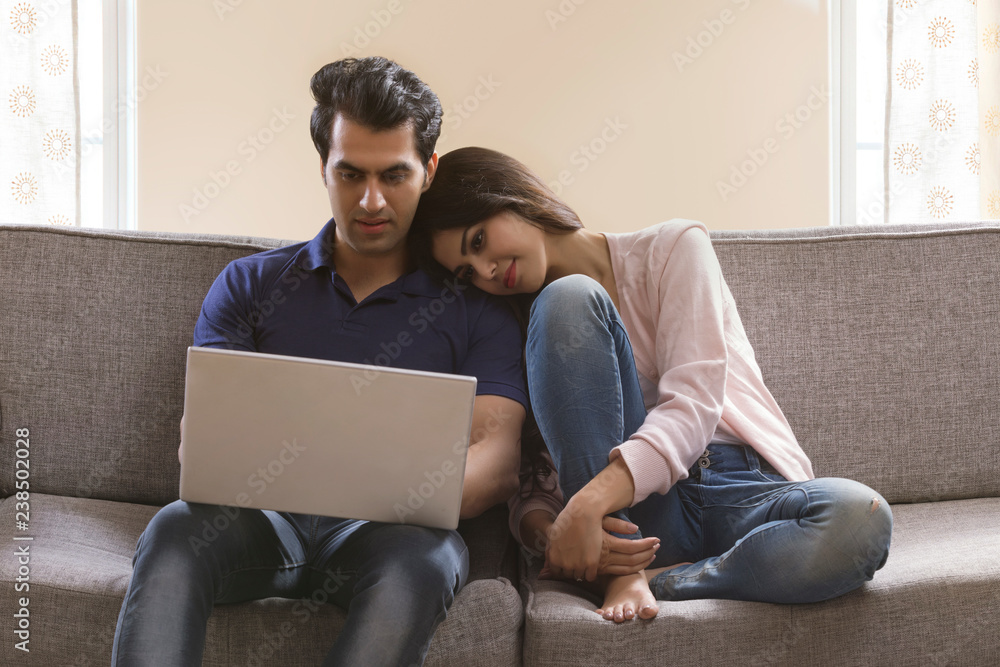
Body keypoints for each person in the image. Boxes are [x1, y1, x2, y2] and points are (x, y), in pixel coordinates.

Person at [111, 60, 529, 666]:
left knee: (426, 559)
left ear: (429, 171)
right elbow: (203, 443)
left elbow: (496, 460)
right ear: (324, 168)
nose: (371, 200)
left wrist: (388, 490)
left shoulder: (477, 310)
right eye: (350, 173)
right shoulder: (249, 284)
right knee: (176, 529)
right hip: (257, 523)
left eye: (395, 175)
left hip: (394, 536)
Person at [409, 146, 894, 624]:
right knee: (566, 300)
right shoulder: (524, 328)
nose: (487, 272)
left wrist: (590, 503)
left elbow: (694, 405)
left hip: (746, 488)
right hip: (641, 520)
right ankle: (624, 571)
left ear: (509, 195)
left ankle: (661, 580)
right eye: (467, 272)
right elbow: (529, 483)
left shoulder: (675, 247)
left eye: (478, 241)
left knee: (860, 518)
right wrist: (559, 534)